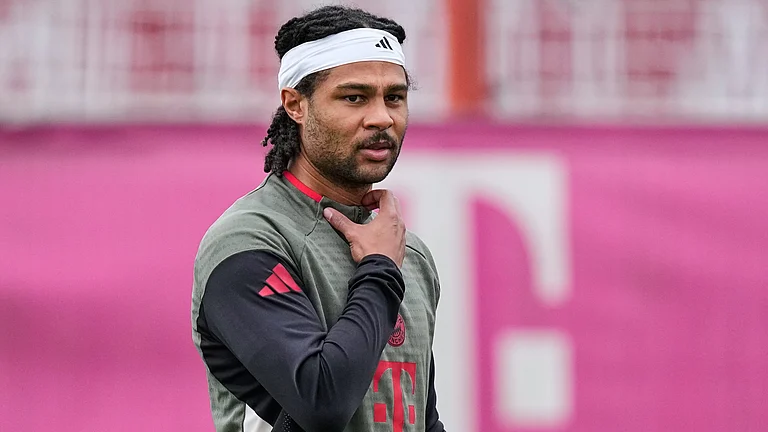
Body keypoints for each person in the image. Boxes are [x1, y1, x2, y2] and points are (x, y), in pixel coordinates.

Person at [191, 5, 445, 432]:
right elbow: (321, 400)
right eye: (354, 97)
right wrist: (379, 270)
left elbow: (421, 418)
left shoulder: (408, 253)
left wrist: (384, 263)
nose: (382, 117)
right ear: (295, 105)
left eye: (395, 97)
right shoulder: (249, 240)